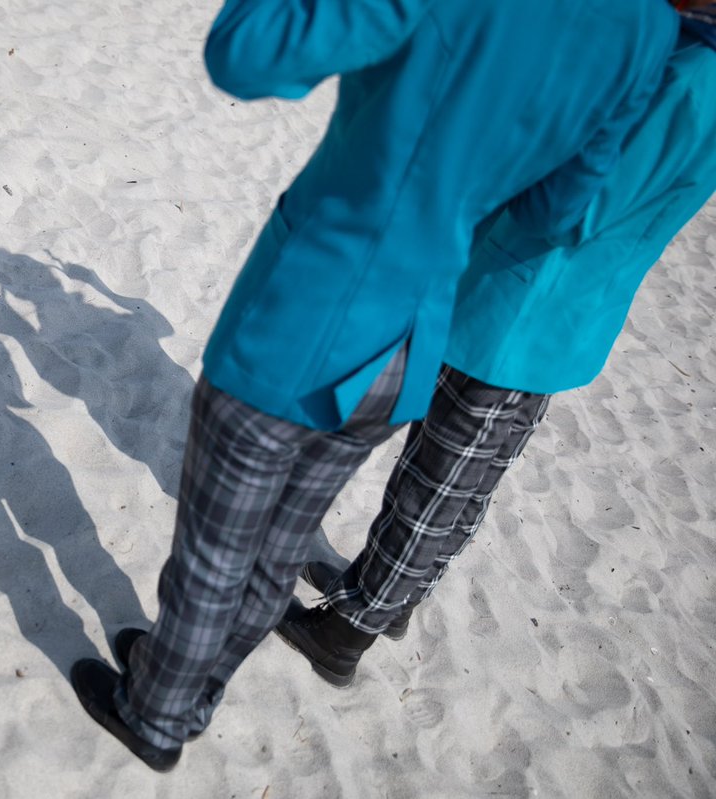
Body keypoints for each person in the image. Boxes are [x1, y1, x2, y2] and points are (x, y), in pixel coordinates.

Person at [68, 0, 679, 772]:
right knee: (277, 547)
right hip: (416, 332)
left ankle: (157, 712)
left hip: (312, 305)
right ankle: (193, 685)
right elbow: (553, 209)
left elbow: (245, 53)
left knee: (217, 550)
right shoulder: (648, 29)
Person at [278, 2, 716, 688]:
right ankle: (388, 595)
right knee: (462, 474)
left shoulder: (692, 76)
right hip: (553, 311)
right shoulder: (689, 60)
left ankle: (349, 629)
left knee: (440, 477)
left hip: (521, 304)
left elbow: (584, 205)